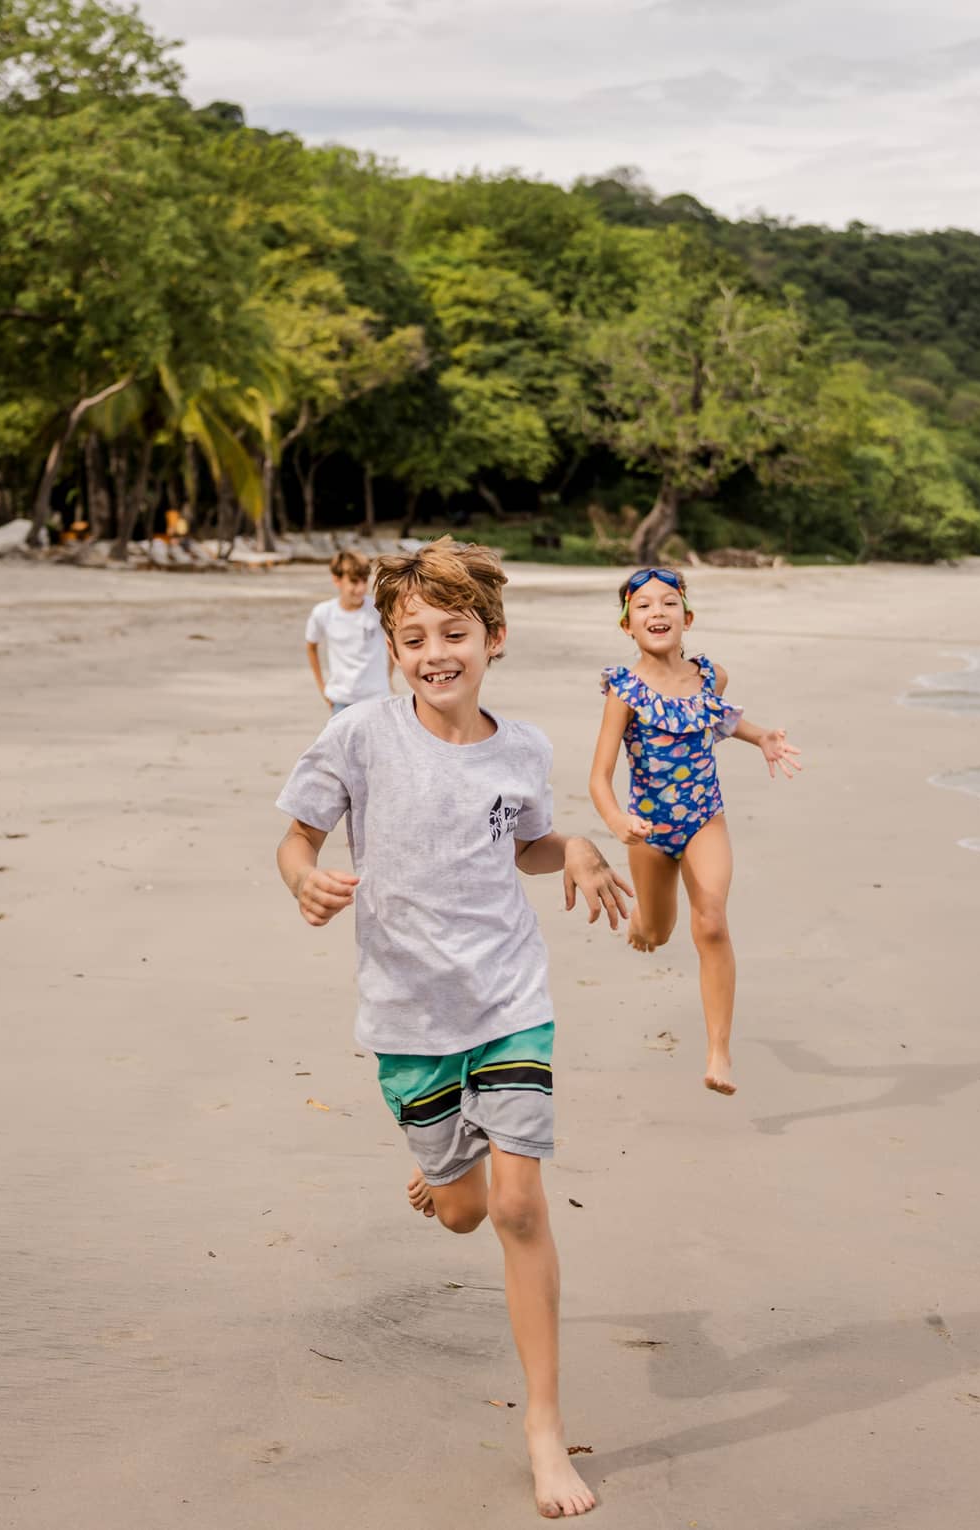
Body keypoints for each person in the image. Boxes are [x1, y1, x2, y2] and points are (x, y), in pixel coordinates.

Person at [276, 537, 630, 1519]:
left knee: (519, 1211)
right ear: (392, 651)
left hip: (511, 1002)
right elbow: (296, 837)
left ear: (495, 639)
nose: (436, 651)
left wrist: (583, 851)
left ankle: (544, 1430)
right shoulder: (359, 738)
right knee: (467, 1211)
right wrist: (305, 879)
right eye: (414, 637)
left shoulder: (523, 749)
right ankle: (443, 1174)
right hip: (408, 1018)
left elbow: (526, 848)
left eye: (455, 632)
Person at [588, 566, 801, 1097]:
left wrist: (763, 738)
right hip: (650, 832)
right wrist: (619, 822)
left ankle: (719, 1052)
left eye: (667, 603)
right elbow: (599, 776)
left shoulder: (711, 676)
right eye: (643, 606)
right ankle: (642, 924)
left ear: (687, 616)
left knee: (710, 923)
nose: (656, 613)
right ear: (627, 625)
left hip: (705, 817)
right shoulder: (625, 692)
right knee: (657, 932)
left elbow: (717, 718)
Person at [305, 549, 393, 715]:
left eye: (364, 581)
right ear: (337, 580)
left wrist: (387, 677)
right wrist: (323, 688)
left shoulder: (378, 609)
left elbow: (394, 642)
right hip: (341, 700)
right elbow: (311, 646)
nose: (360, 588)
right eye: (353, 581)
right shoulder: (323, 613)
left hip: (377, 698)